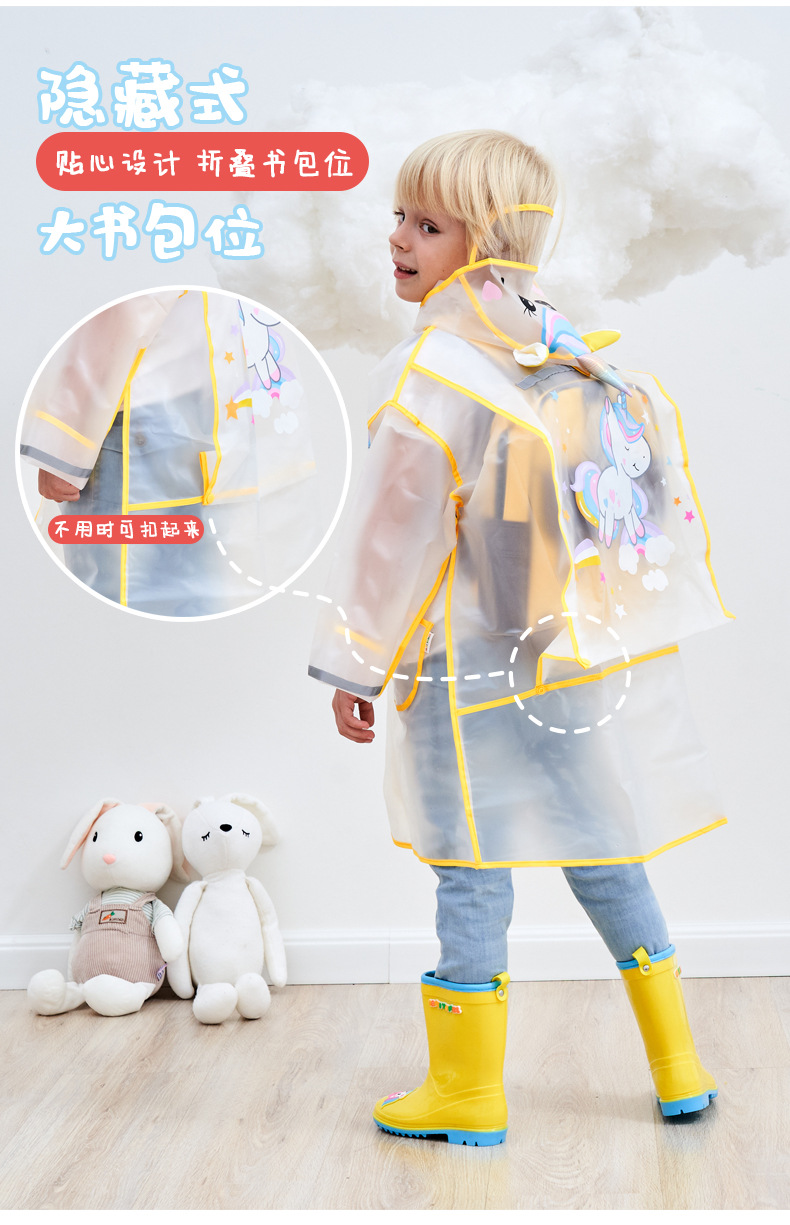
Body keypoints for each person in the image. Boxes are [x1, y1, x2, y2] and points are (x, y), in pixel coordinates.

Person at [309, 130, 731, 1145]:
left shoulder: (436, 369)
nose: (397, 238)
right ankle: (678, 1065)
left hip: (465, 666)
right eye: (399, 216)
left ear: (485, 239)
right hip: (569, 650)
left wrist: (355, 663)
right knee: (605, 846)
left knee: (470, 867)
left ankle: (467, 1092)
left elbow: (394, 540)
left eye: (427, 224)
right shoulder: (564, 346)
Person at [20, 289, 316, 617]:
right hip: (211, 418)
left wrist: (62, 444)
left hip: (139, 426)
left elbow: (125, 312)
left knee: (115, 601)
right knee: (191, 599)